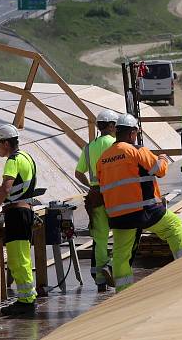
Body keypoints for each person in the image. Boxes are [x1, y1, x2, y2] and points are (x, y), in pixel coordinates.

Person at [97, 113, 182, 292]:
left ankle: (123, 293)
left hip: (118, 217)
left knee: (121, 254)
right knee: (174, 227)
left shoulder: (103, 159)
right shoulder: (136, 150)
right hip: (145, 210)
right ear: (132, 133)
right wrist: (162, 158)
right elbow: (160, 170)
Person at [0, 124, 38, 316]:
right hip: (24, 211)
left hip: (18, 214)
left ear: (5, 142)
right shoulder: (27, 157)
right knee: (22, 258)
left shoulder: (13, 160)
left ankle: (26, 301)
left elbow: (6, 188)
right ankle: (26, 298)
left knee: (18, 259)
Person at [74, 109, 119, 292]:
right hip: (115, 193)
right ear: (110, 125)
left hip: (96, 195)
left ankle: (101, 279)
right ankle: (115, 268)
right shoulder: (116, 144)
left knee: (100, 239)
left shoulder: (88, 148)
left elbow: (78, 173)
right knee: (123, 234)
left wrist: (91, 186)